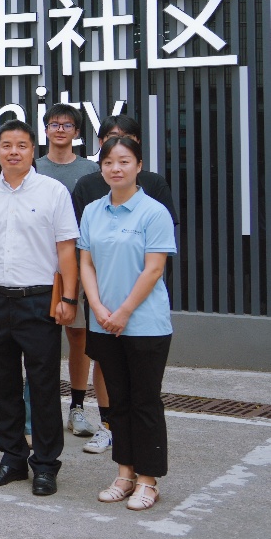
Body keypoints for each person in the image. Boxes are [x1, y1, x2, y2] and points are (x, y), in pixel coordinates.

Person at [0, 120, 79, 497]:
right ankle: (12, 457)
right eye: (6, 145)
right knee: (2, 385)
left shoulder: (53, 191)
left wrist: (69, 298)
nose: (13, 152)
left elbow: (66, 248)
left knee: (43, 385)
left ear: (33, 150)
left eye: (21, 145)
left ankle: (45, 464)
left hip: (39, 301)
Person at [71, 114, 179, 456]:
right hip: (102, 316)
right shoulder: (92, 208)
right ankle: (123, 468)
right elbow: (85, 262)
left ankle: (147, 476)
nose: (116, 168)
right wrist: (98, 307)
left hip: (143, 318)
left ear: (138, 164)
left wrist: (123, 312)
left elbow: (154, 267)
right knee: (116, 398)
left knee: (144, 401)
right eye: (109, 162)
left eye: (124, 161)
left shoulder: (154, 207)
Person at [34, 104, 101, 440]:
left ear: (77, 132)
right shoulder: (34, 166)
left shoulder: (91, 170)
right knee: (38, 341)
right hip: (39, 265)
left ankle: (77, 406)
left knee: (78, 337)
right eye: (53, 124)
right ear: (46, 129)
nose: (59, 129)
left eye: (67, 125)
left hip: (78, 264)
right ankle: (38, 410)